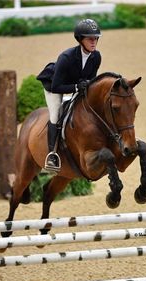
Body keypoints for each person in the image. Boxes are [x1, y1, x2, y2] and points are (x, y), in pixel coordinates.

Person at [37, 18, 102, 172]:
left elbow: (90, 81)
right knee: (56, 114)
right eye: (90, 39)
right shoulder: (66, 57)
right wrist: (76, 87)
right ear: (80, 39)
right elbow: (57, 86)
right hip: (54, 86)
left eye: (96, 38)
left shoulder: (96, 56)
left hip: (75, 86)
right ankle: (52, 154)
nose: (94, 42)